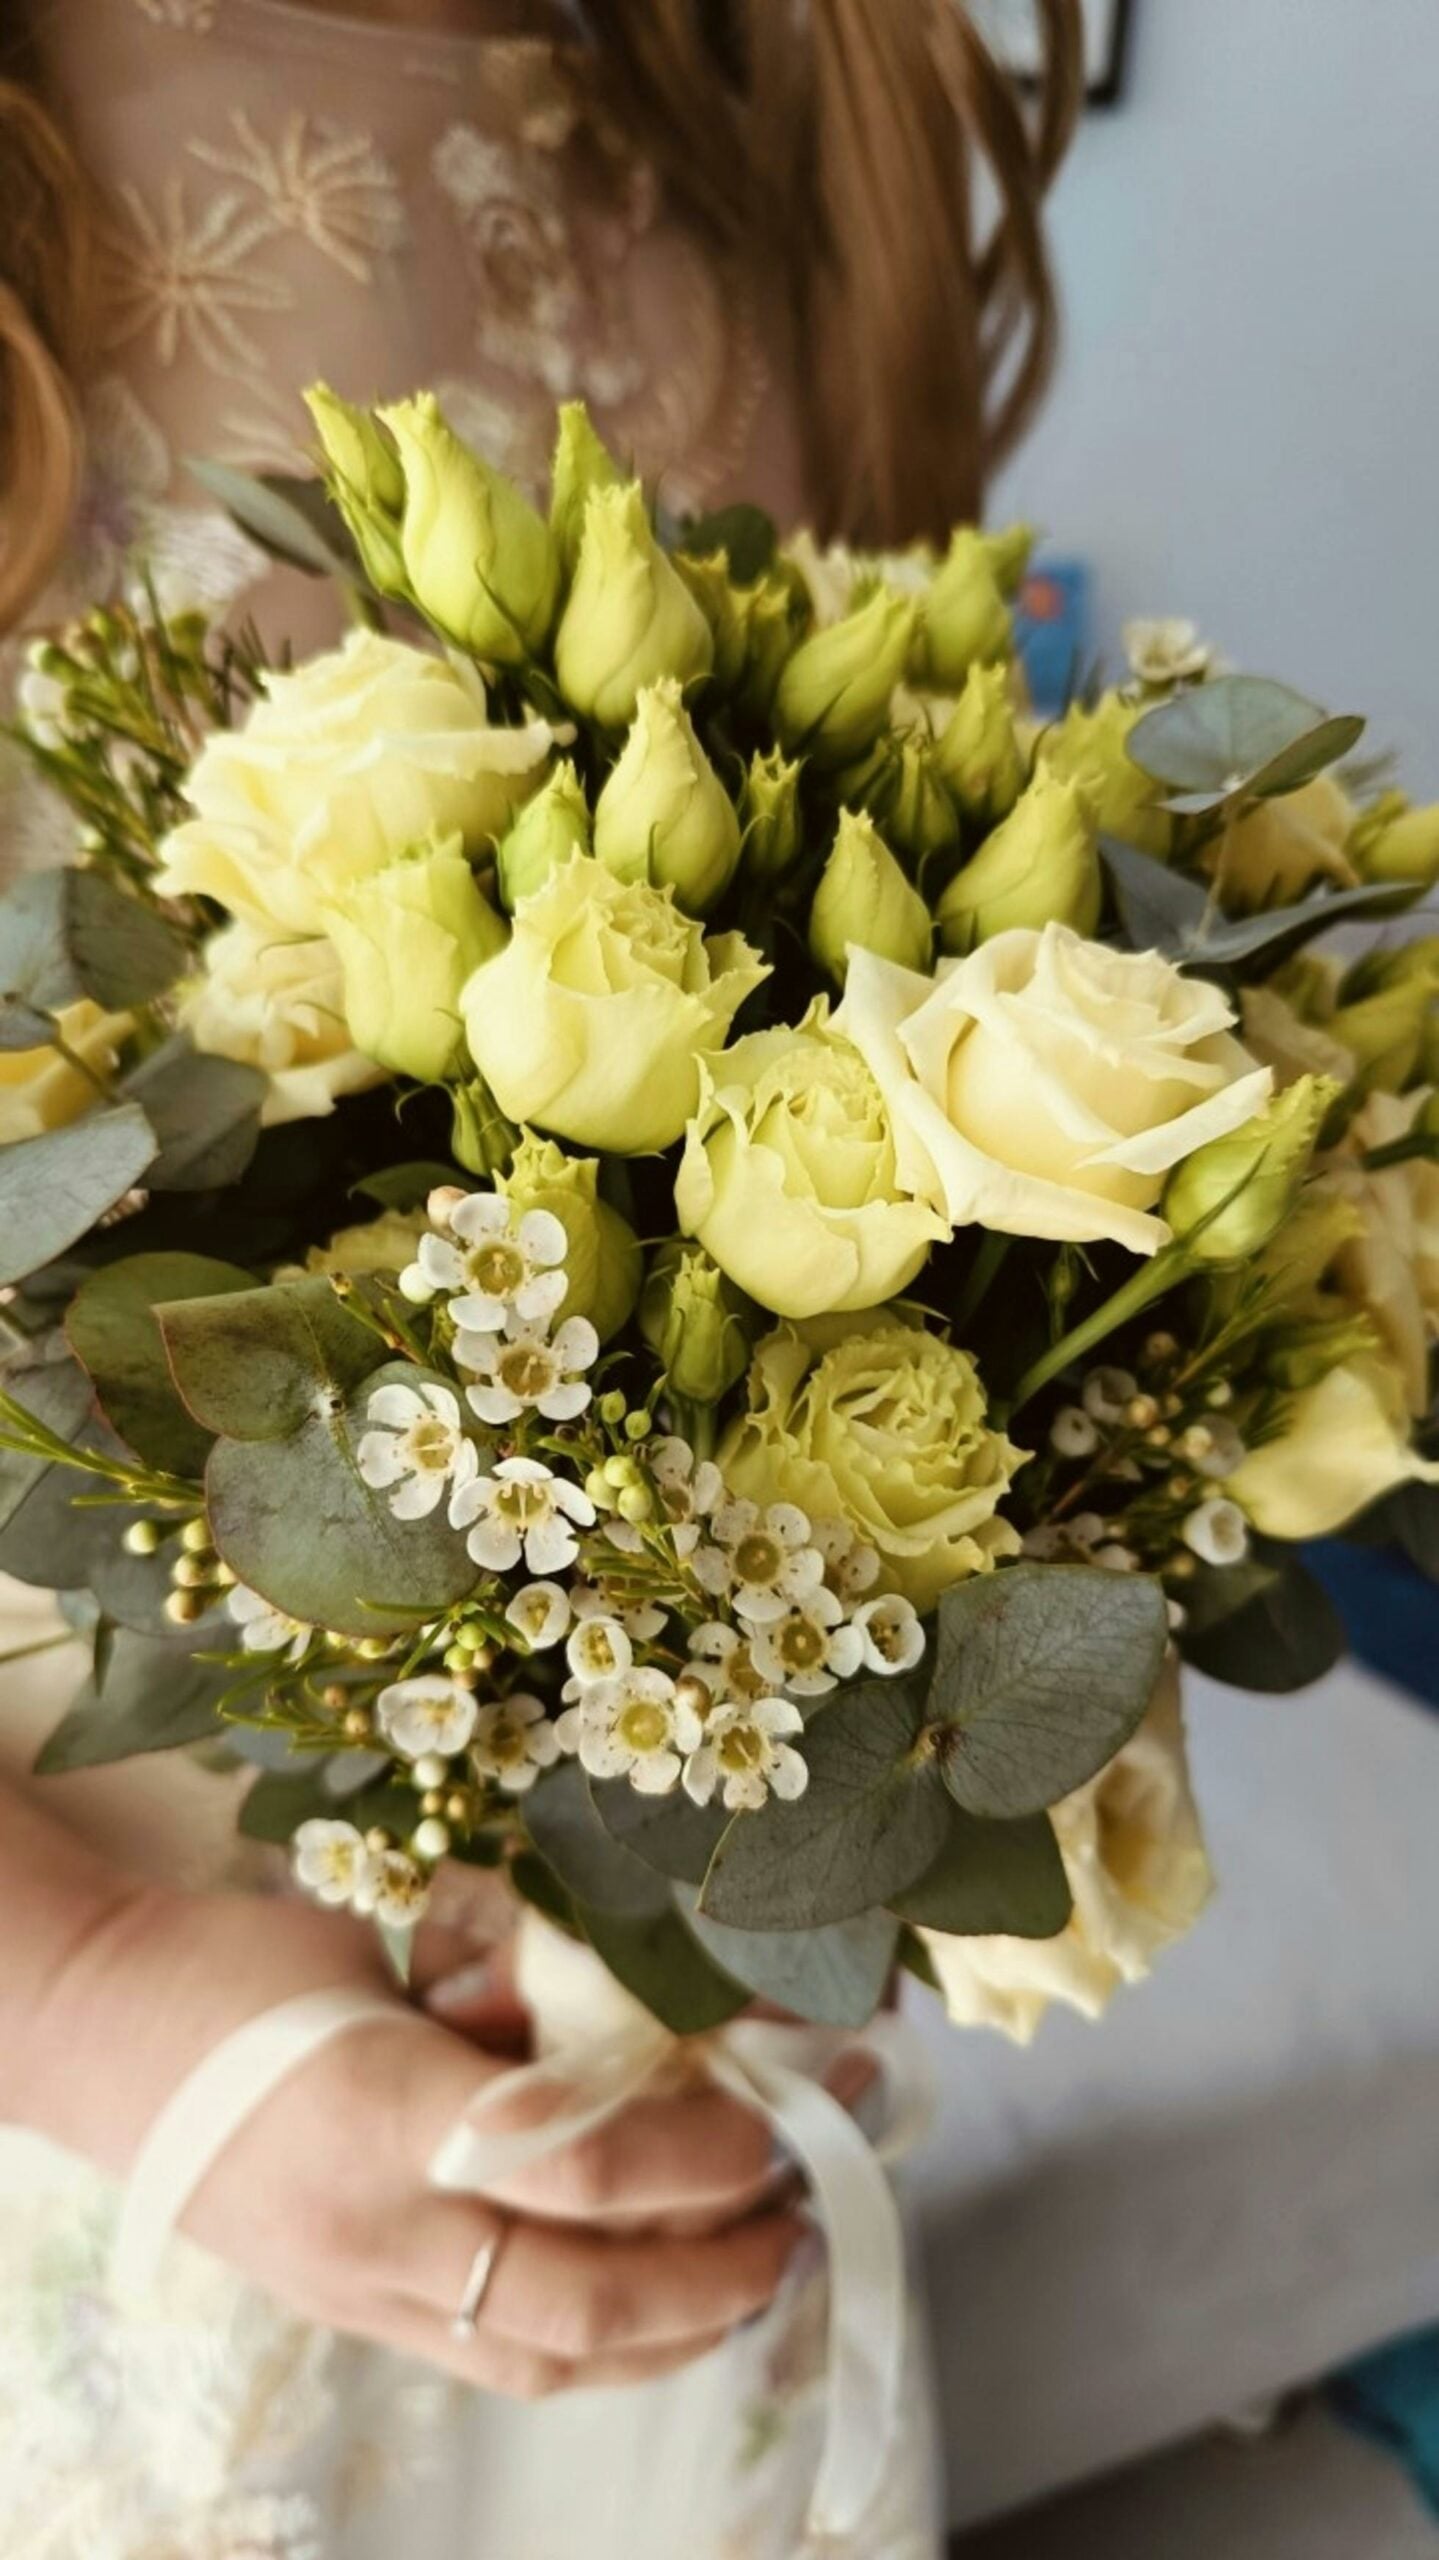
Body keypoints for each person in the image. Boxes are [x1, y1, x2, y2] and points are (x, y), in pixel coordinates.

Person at [0, 6, 1081, 2553]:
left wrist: (863, 1820)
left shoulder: (750, 101)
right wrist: (77, 1999)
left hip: (673, 2120)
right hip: (112, 2141)